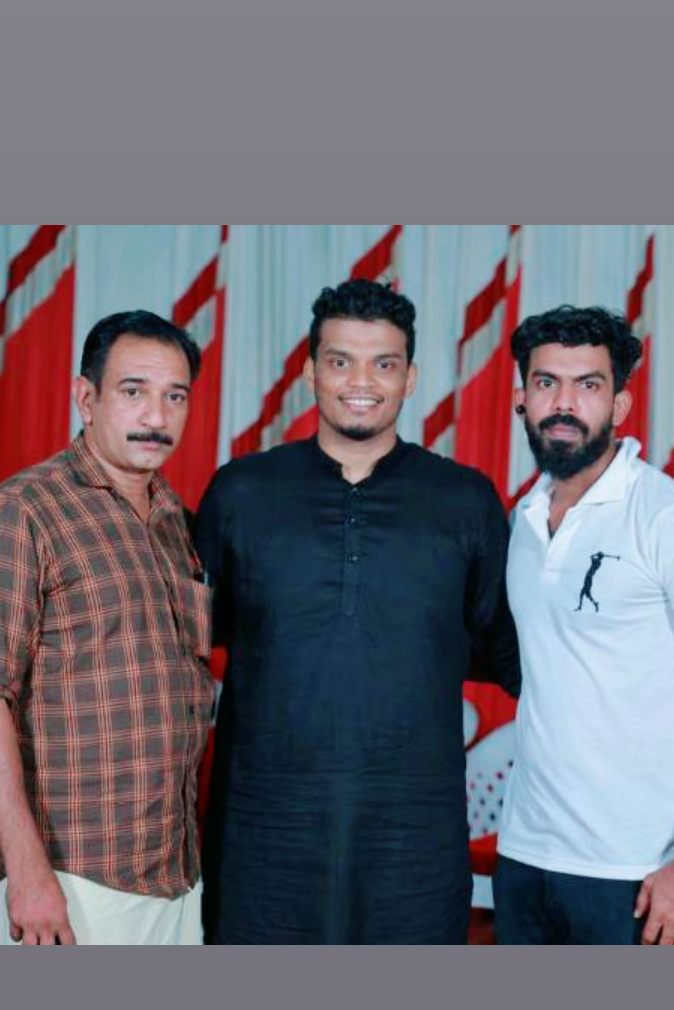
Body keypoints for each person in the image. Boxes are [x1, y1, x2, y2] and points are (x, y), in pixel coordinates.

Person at [194, 278, 520, 944]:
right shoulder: (240, 492)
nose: (361, 382)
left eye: (384, 363)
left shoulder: (466, 501)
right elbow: (188, 641)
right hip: (262, 834)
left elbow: (504, 648)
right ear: (310, 371)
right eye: (340, 361)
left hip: (413, 841)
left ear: (410, 378)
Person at [495, 303, 674, 946]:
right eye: (546, 382)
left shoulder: (672, 521)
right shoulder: (522, 519)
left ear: (619, 403)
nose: (564, 403)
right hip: (524, 852)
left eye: (588, 384)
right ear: (521, 398)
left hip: (639, 869)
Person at [0, 311, 214, 947]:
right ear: (86, 398)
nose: (156, 416)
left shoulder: (176, 522)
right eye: (133, 391)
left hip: (174, 867)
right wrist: (27, 871)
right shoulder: (20, 513)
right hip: (73, 877)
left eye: (175, 396)